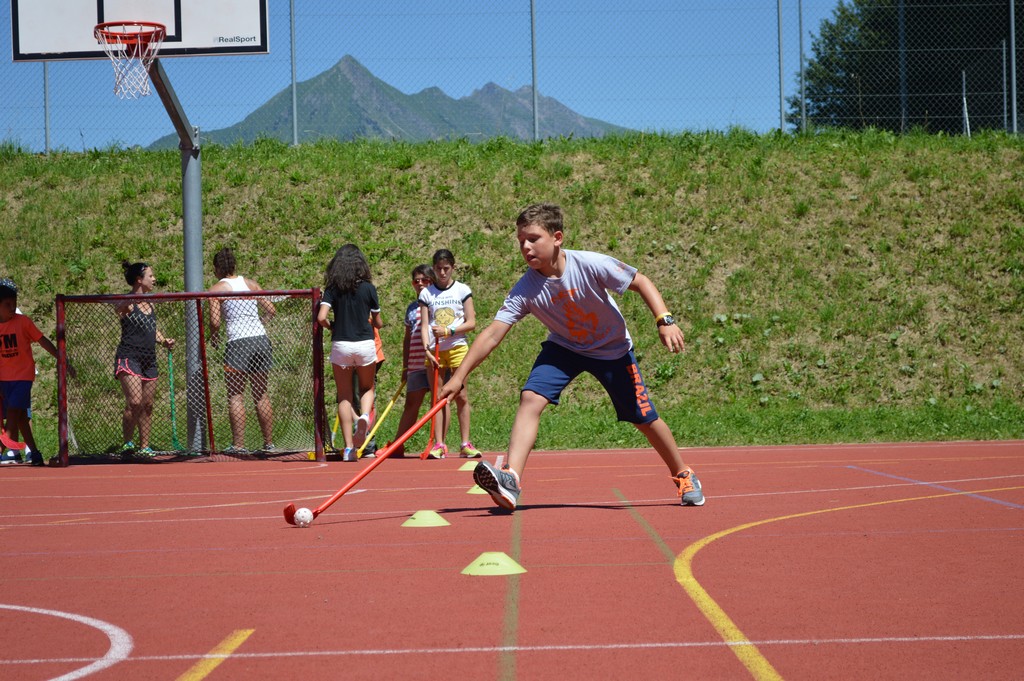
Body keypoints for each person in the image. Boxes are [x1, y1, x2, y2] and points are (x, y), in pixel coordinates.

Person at [438, 203, 705, 511]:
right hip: (565, 347)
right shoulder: (526, 288)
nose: (525, 247)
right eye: (520, 240)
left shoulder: (590, 264)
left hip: (612, 350)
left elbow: (640, 281)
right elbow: (492, 333)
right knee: (531, 397)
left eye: (534, 238)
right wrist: (459, 377)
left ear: (557, 238)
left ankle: (683, 474)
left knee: (643, 418)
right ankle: (510, 479)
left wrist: (664, 320)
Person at [317, 245, 382, 462]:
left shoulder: (333, 288)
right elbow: (378, 323)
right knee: (367, 387)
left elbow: (321, 317)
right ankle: (363, 416)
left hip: (341, 344)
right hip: (364, 343)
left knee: (344, 395)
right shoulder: (368, 289)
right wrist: (371, 319)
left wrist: (332, 326)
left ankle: (348, 450)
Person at [208, 247, 276, 453]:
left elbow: (215, 321)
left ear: (217, 268)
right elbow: (271, 310)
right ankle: (268, 443)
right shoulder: (250, 284)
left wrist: (214, 335)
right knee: (261, 394)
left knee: (236, 395)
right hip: (260, 340)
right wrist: (260, 323)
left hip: (238, 342)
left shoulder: (216, 290)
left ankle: (238, 444)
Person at [0, 278, 72, 466]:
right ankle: (35, 453)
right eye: (7, 304)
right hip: (4, 379)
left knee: (14, 414)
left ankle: (3, 447)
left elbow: (42, 340)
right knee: (22, 417)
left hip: (23, 377)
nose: (12, 307)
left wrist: (61, 357)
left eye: (14, 303)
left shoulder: (22, 322)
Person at [419, 249, 480, 459]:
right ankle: (439, 444)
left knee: (461, 395)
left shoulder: (462, 290)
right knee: (437, 397)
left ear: (453, 267)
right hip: (435, 351)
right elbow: (425, 325)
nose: (443, 273)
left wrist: (450, 331)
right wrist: (427, 350)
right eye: (438, 269)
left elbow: (471, 323)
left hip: (457, 347)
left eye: (446, 268)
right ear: (434, 269)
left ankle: (465, 443)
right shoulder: (427, 294)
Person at [115, 261, 174, 456]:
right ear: (139, 280)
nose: (154, 279)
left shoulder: (150, 302)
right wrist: (129, 301)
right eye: (151, 276)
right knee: (135, 401)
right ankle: (128, 442)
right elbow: (118, 309)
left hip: (149, 358)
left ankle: (144, 446)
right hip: (129, 356)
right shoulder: (129, 303)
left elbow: (151, 329)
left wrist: (163, 340)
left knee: (147, 405)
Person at [389, 264, 435, 458]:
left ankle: (437, 444)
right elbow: (407, 338)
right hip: (416, 363)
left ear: (431, 282)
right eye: (417, 281)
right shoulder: (411, 308)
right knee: (411, 405)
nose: (420, 284)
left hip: (434, 361)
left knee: (438, 403)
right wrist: (405, 365)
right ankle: (398, 444)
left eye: (424, 280)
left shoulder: (437, 302)